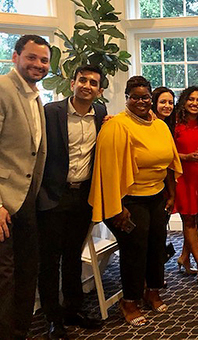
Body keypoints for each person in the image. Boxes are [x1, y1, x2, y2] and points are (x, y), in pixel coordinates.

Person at [88, 76, 182, 326]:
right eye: (135, 97)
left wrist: (171, 194)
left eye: (145, 97)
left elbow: (170, 162)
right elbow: (107, 172)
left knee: (157, 246)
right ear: (127, 98)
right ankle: (129, 301)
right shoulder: (116, 126)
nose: (141, 101)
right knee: (135, 250)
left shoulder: (159, 125)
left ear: (151, 97)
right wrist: (118, 208)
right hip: (128, 201)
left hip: (156, 196)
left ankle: (152, 291)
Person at [37, 65, 106, 339]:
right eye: (83, 80)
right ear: (72, 82)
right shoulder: (50, 112)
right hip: (52, 197)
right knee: (50, 260)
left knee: (73, 256)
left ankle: (72, 309)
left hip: (82, 198)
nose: (87, 85)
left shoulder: (100, 114)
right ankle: (53, 319)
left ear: (100, 90)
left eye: (93, 82)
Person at [0, 34, 50, 340]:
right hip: (3, 203)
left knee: (27, 270)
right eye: (31, 57)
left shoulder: (35, 95)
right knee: (4, 278)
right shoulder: (3, 89)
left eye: (44, 60)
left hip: (27, 199)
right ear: (15, 57)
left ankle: (20, 332)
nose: (38, 65)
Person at [173, 86, 198, 287]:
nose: (195, 103)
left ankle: (184, 257)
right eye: (191, 99)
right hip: (183, 179)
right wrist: (186, 157)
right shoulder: (175, 124)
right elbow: (166, 152)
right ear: (184, 101)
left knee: (194, 220)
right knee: (189, 221)